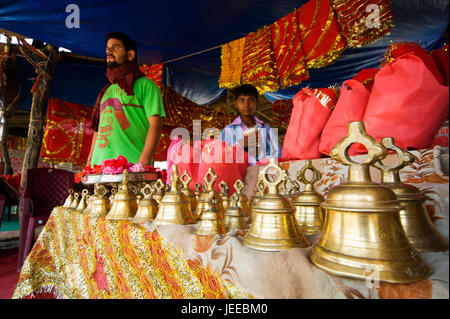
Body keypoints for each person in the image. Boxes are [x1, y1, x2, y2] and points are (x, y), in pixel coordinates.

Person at [87, 32, 165, 167]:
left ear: (130, 55)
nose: (109, 51)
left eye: (115, 47)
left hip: (131, 167)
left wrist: (143, 163)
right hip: (99, 168)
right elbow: (98, 129)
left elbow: (156, 125)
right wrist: (89, 163)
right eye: (108, 48)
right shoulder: (106, 91)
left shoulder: (146, 85)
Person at [218, 84, 281, 165]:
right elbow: (218, 156)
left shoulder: (265, 128)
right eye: (242, 100)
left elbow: (278, 153)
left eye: (251, 100)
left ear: (257, 104)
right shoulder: (229, 130)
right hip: (238, 176)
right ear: (236, 104)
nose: (246, 104)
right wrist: (240, 145)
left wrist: (264, 157)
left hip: (263, 174)